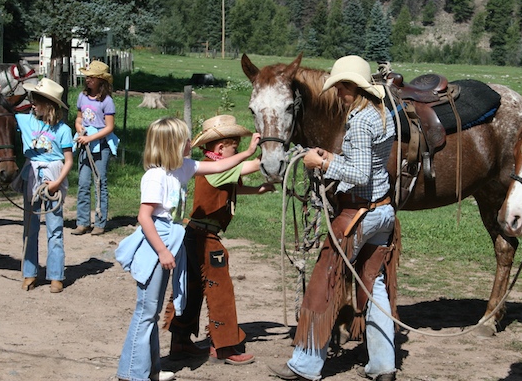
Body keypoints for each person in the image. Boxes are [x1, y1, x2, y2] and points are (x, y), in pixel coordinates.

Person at [269, 55, 399, 381]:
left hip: (358, 215)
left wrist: (322, 163)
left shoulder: (361, 120)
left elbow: (357, 173)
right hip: (383, 211)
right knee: (374, 285)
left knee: (325, 281)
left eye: (341, 86)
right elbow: (366, 163)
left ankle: (305, 364)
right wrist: (333, 156)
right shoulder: (384, 115)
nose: (338, 92)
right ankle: (384, 364)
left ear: (354, 87)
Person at [114, 116, 261, 381]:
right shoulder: (155, 177)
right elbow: (145, 217)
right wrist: (162, 250)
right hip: (157, 240)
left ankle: (151, 370)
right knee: (145, 312)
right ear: (171, 144)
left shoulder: (182, 168)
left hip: (171, 237)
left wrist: (248, 152)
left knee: (153, 310)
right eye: (185, 139)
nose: (190, 143)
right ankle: (133, 373)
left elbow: (219, 167)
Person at [162, 115, 275, 365]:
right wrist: (262, 152)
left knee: (191, 286)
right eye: (234, 145)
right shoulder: (214, 167)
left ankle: (180, 340)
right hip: (204, 238)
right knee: (220, 288)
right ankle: (224, 345)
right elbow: (249, 166)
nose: (236, 149)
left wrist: (258, 190)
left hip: (194, 235)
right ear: (220, 148)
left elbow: (232, 186)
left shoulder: (215, 169)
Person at [16, 78, 74, 293]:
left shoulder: (63, 130)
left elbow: (68, 160)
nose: (32, 104)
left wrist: (57, 182)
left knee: (55, 227)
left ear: (48, 104)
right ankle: (29, 272)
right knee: (30, 227)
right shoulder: (26, 120)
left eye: (36, 101)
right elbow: (2, 108)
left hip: (53, 174)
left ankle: (56, 275)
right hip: (32, 172)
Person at [72, 60, 118, 236]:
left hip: (101, 144)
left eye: (91, 77)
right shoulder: (82, 97)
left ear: (101, 80)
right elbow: (78, 118)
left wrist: (91, 137)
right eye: (87, 77)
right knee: (83, 183)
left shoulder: (107, 101)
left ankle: (100, 221)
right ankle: (82, 222)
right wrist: (79, 129)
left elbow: (109, 127)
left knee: (100, 182)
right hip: (85, 144)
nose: (88, 80)